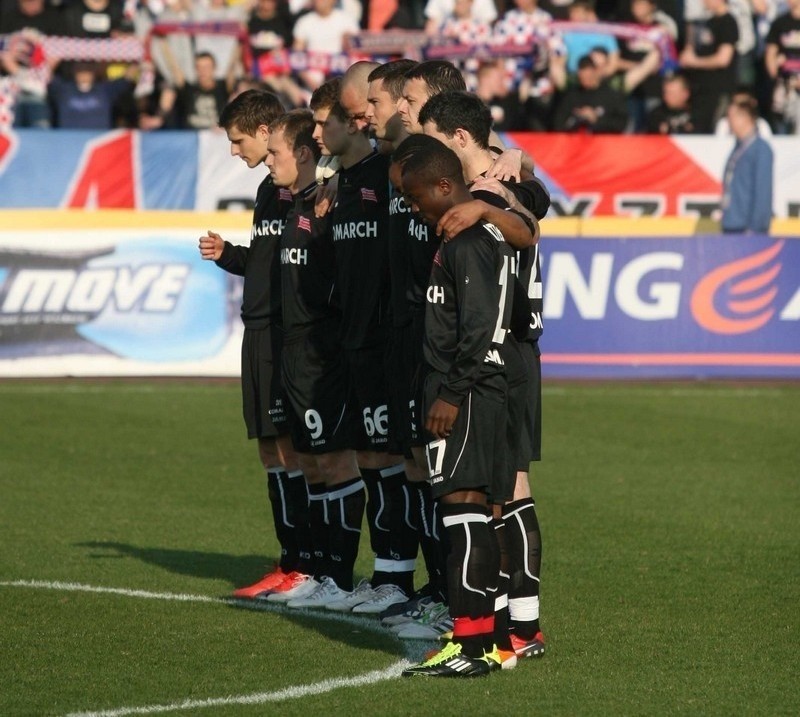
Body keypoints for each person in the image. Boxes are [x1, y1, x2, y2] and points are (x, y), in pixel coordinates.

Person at [417, 89, 548, 664]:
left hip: (503, 354)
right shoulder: (499, 175)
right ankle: (500, 627)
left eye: (430, 132)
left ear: (460, 139)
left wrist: (493, 203)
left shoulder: (495, 193)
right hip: (492, 352)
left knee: (504, 491)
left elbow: (528, 225)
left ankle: (515, 628)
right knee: (494, 494)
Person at [399, 136, 515, 678]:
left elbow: (481, 327)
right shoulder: (462, 236)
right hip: (471, 390)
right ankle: (484, 639)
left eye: (418, 197)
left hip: (464, 393)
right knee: (472, 515)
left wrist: (449, 393)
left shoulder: (468, 241)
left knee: (461, 512)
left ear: (446, 186)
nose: (415, 208)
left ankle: (470, 646)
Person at [197, 90, 312, 602]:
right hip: (260, 328)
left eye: (238, 139)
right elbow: (268, 261)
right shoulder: (270, 190)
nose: (234, 151)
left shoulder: (308, 188)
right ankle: (291, 560)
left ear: (267, 132)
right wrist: (229, 255)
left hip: (289, 333)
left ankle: (307, 564)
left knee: (294, 448)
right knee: (271, 447)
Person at [263, 109, 366, 609]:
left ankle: (340, 579)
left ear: (302, 153)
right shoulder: (299, 205)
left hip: (323, 351)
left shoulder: (328, 206)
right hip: (295, 351)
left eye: (274, 152)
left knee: (334, 459)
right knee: (311, 462)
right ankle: (323, 573)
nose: (267, 161)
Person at [680, 0, 739, 133]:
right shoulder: (706, 23)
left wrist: (694, 61)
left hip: (719, 91)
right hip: (701, 91)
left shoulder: (728, 22)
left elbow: (723, 59)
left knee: (716, 130)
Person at [720, 93, 774, 233]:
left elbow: (763, 192)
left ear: (744, 117)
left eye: (731, 117)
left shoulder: (760, 149)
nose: (728, 122)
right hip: (731, 223)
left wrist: (756, 229)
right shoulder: (737, 148)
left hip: (747, 229)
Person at [552, 54, 630, 132]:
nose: (586, 81)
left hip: (603, 141)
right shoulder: (572, 96)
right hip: (575, 141)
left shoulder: (611, 95)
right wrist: (576, 118)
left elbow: (621, 124)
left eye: (589, 77)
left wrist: (596, 119)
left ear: (596, 72)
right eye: (582, 78)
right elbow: (559, 124)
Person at [764, 0, 800, 134]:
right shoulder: (780, 23)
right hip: (784, 85)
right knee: (781, 126)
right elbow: (771, 53)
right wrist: (777, 77)